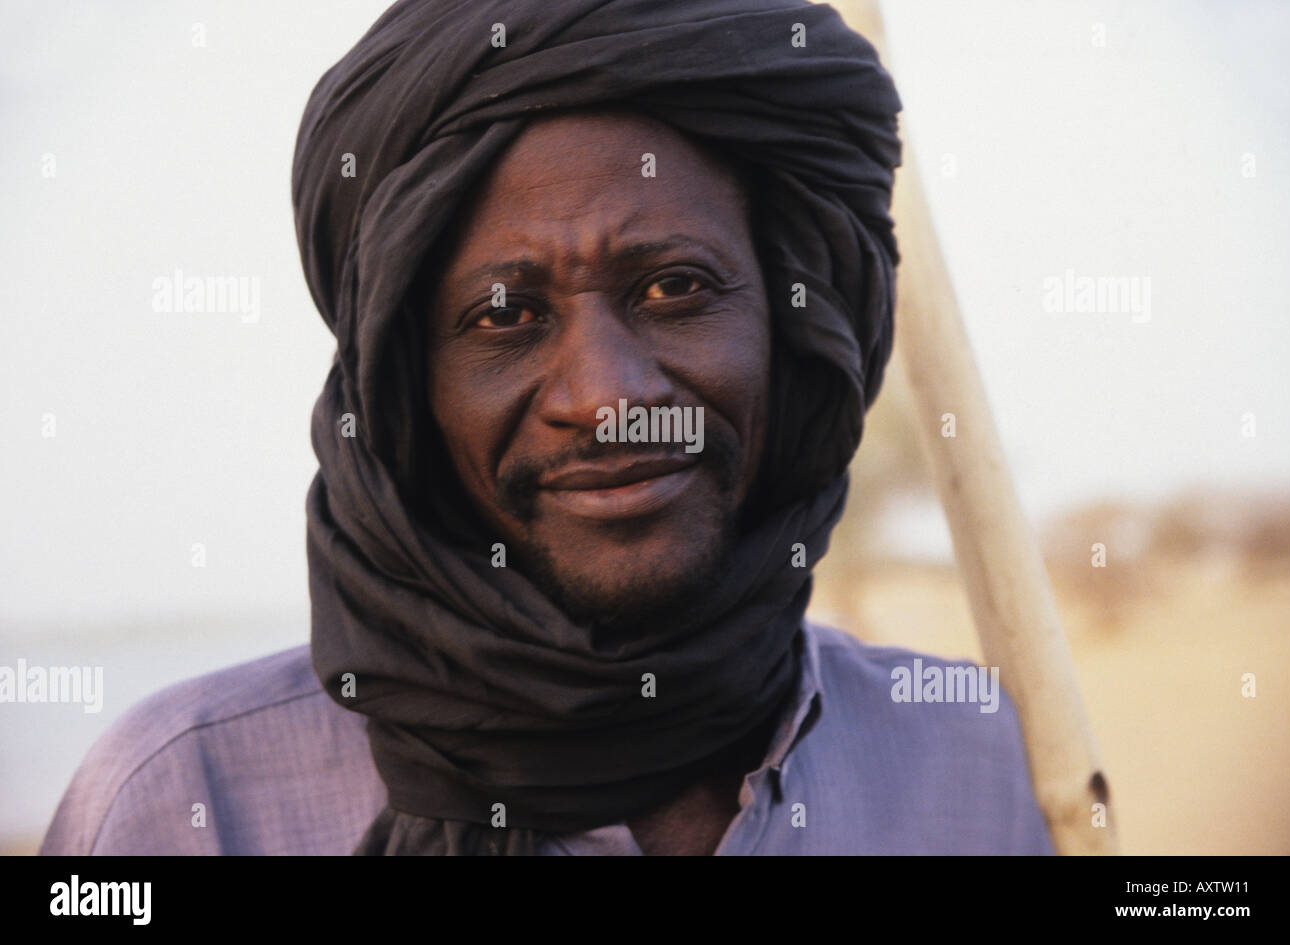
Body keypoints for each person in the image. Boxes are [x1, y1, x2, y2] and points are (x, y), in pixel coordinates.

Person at [41, 0, 1054, 856]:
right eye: (503, 316)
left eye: (672, 287)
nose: (605, 392)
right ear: (405, 391)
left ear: (792, 333)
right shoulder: (187, 806)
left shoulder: (976, 763)